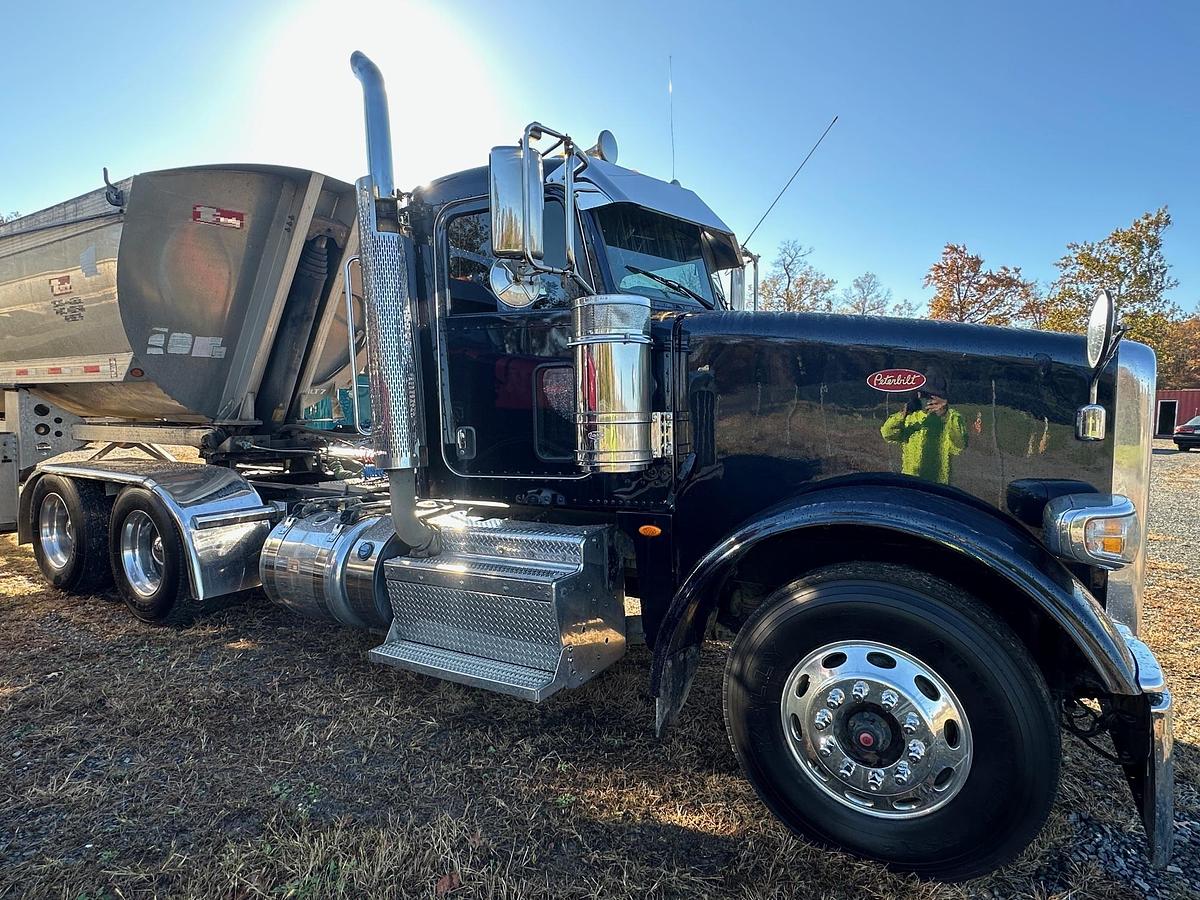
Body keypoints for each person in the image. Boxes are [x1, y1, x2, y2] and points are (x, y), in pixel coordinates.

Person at [880, 369, 966, 484]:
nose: (926, 399)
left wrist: (946, 415)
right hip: (911, 483)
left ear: (941, 398)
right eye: (922, 394)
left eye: (931, 395)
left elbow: (959, 445)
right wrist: (902, 415)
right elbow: (887, 433)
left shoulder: (952, 417)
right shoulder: (910, 417)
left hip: (938, 486)